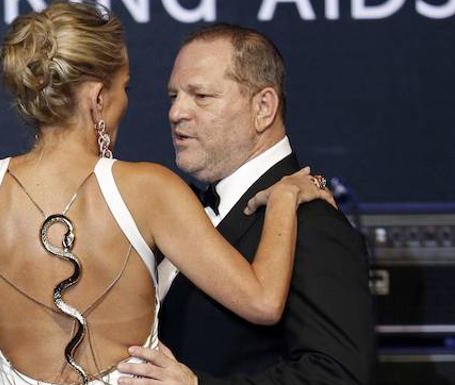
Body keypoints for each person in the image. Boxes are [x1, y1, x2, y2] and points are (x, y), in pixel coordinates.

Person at [0, 4, 334, 385]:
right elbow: (263, 302)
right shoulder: (149, 189)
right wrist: (282, 198)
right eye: (124, 87)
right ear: (97, 98)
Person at [117, 24, 375, 385]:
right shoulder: (180, 209)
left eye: (201, 96)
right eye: (173, 97)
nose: (177, 113)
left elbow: (338, 375)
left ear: (263, 107)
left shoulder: (313, 225)